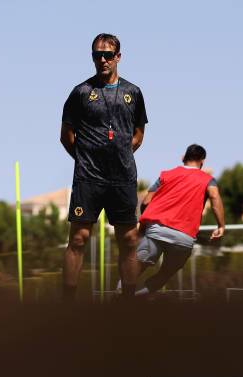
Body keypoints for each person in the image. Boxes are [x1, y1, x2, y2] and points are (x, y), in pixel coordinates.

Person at [60, 33, 148, 301]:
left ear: (118, 57)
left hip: (122, 178)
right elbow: (66, 136)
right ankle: (67, 303)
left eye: (108, 55)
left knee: (129, 241)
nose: (102, 59)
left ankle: (128, 302)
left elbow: (138, 135)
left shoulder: (133, 92)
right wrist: (86, 158)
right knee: (78, 239)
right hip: (88, 178)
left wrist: (118, 155)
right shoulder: (81, 93)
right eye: (97, 55)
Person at [133, 144, 225, 296]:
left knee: (136, 267)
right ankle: (139, 296)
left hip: (157, 230)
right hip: (184, 237)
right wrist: (221, 226)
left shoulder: (166, 175)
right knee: (166, 274)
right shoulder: (208, 180)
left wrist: (145, 223)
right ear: (202, 161)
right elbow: (215, 197)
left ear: (183, 158)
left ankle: (121, 293)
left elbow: (146, 202)